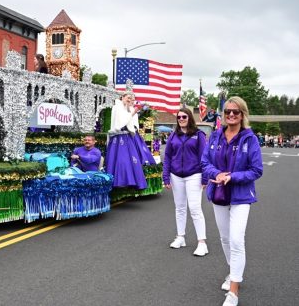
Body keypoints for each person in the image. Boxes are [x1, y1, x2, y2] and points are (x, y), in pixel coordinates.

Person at [201, 96, 263, 306]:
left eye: (235, 112)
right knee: (225, 239)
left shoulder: (250, 139)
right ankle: (233, 271)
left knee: (236, 239)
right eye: (227, 111)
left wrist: (232, 177)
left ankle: (234, 290)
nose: (231, 115)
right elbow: (205, 162)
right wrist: (217, 174)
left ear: (242, 114)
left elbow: (256, 170)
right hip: (219, 193)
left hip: (241, 195)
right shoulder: (216, 136)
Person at [163, 108, 209, 256]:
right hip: (176, 175)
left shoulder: (199, 135)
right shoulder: (172, 136)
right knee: (180, 208)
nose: (181, 119)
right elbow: (168, 157)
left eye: (184, 116)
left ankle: (202, 243)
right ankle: (180, 237)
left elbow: (204, 157)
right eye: (179, 117)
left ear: (189, 117)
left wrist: (205, 177)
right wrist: (166, 176)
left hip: (194, 175)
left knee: (195, 208)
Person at [105, 92, 154, 189]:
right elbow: (121, 123)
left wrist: (133, 113)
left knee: (132, 160)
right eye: (128, 98)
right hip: (119, 137)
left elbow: (132, 124)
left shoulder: (128, 108)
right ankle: (119, 182)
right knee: (121, 160)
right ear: (122, 97)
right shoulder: (117, 107)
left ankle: (131, 181)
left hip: (128, 137)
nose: (130, 100)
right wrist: (133, 112)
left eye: (131, 98)